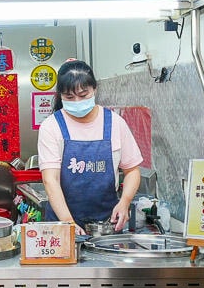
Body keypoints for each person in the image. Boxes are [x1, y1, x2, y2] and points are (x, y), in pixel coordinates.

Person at [36, 60, 143, 234]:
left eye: (83, 95)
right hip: (62, 224)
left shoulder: (115, 123)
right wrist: (68, 222)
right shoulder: (52, 126)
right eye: (69, 97)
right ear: (60, 96)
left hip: (107, 224)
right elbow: (50, 179)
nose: (77, 101)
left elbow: (132, 170)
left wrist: (124, 202)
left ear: (94, 89)